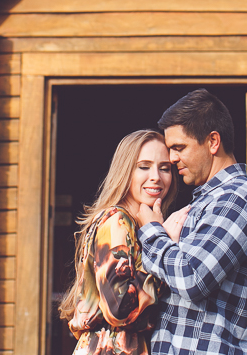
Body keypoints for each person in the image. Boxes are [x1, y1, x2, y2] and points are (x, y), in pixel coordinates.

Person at [137, 89, 247, 355]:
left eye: (179, 148)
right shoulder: (209, 201)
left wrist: (152, 232)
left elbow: (192, 278)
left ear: (212, 142)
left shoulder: (237, 199)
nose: (172, 158)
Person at [58, 129, 186, 355]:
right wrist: (164, 246)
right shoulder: (118, 220)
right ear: (126, 171)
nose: (156, 176)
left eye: (164, 168)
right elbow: (119, 309)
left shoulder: (134, 225)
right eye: (144, 166)